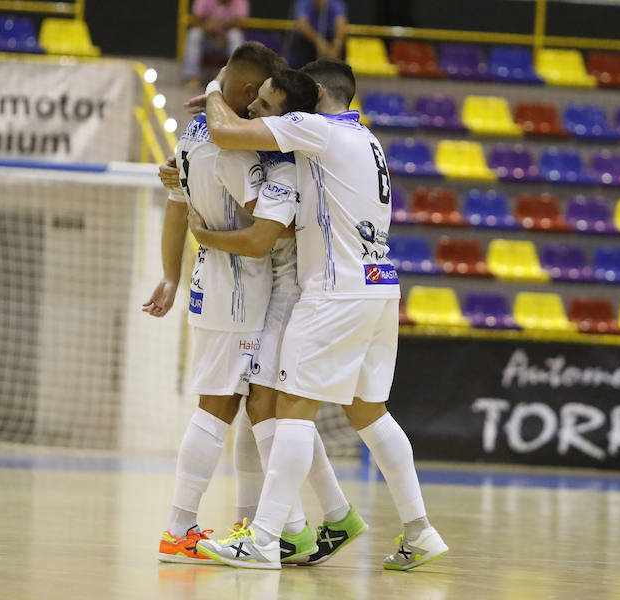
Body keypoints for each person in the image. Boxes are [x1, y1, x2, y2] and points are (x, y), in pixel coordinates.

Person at [194, 58, 449, 570]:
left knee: (291, 407)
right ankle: (419, 530)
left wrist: (214, 89)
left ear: (311, 92)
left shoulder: (319, 129)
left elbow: (226, 132)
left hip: (335, 294)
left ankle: (264, 539)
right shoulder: (366, 139)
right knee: (369, 413)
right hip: (380, 288)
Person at [155, 65, 365, 566]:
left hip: (279, 292)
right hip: (243, 289)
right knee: (246, 409)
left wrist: (195, 244)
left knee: (258, 411)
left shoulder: (263, 150)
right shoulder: (246, 148)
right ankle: (283, 525)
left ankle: (274, 526)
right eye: (254, 103)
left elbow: (259, 237)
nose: (254, 114)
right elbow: (185, 195)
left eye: (265, 108)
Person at [182, 0, 250, 87]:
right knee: (194, 34)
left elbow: (241, 23)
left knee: (235, 35)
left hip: (226, 44)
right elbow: (196, 20)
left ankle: (236, 79)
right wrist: (209, 29)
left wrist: (221, 26)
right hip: (208, 40)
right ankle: (192, 78)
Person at [289, 0, 347, 69]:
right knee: (300, 41)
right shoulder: (304, 3)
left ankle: (339, 72)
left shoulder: (336, 3)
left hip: (330, 39)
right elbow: (302, 26)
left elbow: (341, 26)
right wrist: (320, 43)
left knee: (342, 45)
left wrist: (336, 47)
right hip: (310, 39)